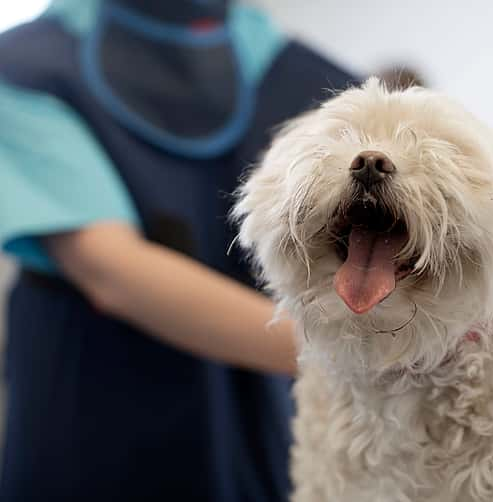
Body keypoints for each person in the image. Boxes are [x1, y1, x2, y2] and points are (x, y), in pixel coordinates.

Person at [0, 0, 354, 500]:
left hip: (257, 406)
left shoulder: (288, 67)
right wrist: (357, 353)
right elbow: (111, 271)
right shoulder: (30, 68)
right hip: (93, 412)